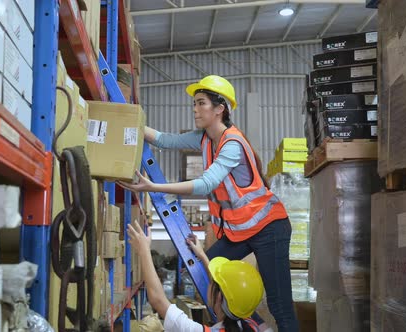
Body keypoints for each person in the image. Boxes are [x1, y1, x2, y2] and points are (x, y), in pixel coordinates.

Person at [118, 75, 299, 331]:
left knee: (279, 306)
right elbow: (165, 140)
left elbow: (206, 183)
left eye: (201, 103)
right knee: (207, 276)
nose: (195, 108)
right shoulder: (204, 138)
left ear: (219, 109)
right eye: (194, 103)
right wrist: (130, 122)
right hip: (241, 232)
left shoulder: (233, 144)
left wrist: (153, 187)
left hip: (269, 229)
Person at [127, 221, 265, 332]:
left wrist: (144, 250)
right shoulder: (254, 325)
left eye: (213, 283)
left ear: (219, 297)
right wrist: (201, 254)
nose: (209, 282)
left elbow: (158, 300)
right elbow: (225, 289)